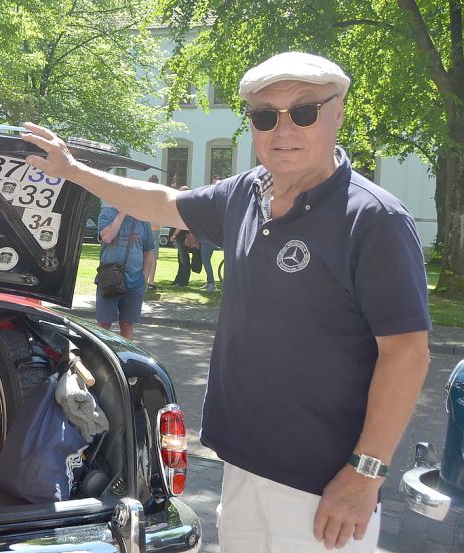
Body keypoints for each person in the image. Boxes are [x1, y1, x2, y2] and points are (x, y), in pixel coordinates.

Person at [22, 51, 430, 552]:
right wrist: (74, 171)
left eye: (303, 111)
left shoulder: (373, 220)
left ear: (338, 113)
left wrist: (364, 475)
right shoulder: (246, 194)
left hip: (322, 486)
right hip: (241, 465)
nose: (284, 130)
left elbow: (407, 354)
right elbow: (163, 204)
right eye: (265, 116)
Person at [95, 202, 155, 339]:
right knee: (104, 324)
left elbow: (148, 251)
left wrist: (143, 279)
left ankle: (127, 359)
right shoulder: (107, 213)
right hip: (110, 279)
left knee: (127, 324)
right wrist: (122, 212)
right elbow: (108, 237)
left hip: (135, 280)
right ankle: (100, 358)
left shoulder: (143, 220)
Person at [145, 175, 162, 290]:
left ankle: (144, 280)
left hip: (145, 225)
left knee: (143, 253)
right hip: (155, 227)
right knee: (153, 255)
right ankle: (150, 281)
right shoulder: (159, 195)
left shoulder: (145, 193)